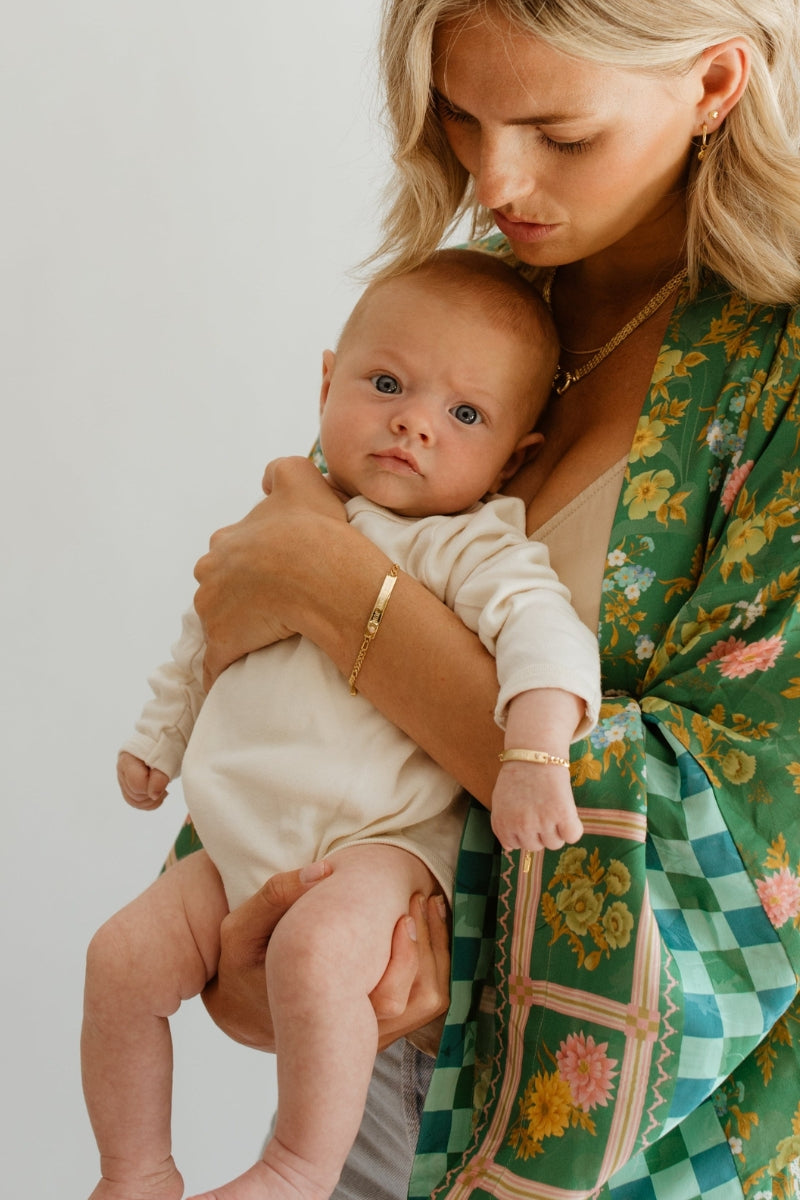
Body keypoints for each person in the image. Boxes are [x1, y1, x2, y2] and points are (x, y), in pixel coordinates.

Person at [171, 2, 800, 1199]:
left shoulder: (776, 369)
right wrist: (237, 931)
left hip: (624, 1137)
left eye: (559, 133)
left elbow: (755, 821)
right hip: (366, 1062)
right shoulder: (461, 313)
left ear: (716, 82)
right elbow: (273, 674)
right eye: (461, 115)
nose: (498, 177)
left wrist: (331, 586)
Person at [82, 249, 602, 1200]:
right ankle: (135, 1169)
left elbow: (548, 637)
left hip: (382, 848)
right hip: (241, 842)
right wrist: (156, 740)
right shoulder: (289, 514)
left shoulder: (470, 543)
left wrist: (532, 752)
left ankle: (295, 1167)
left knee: (321, 957)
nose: (413, 422)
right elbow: (206, 638)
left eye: (465, 415)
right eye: (387, 384)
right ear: (329, 381)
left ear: (515, 455)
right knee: (119, 959)